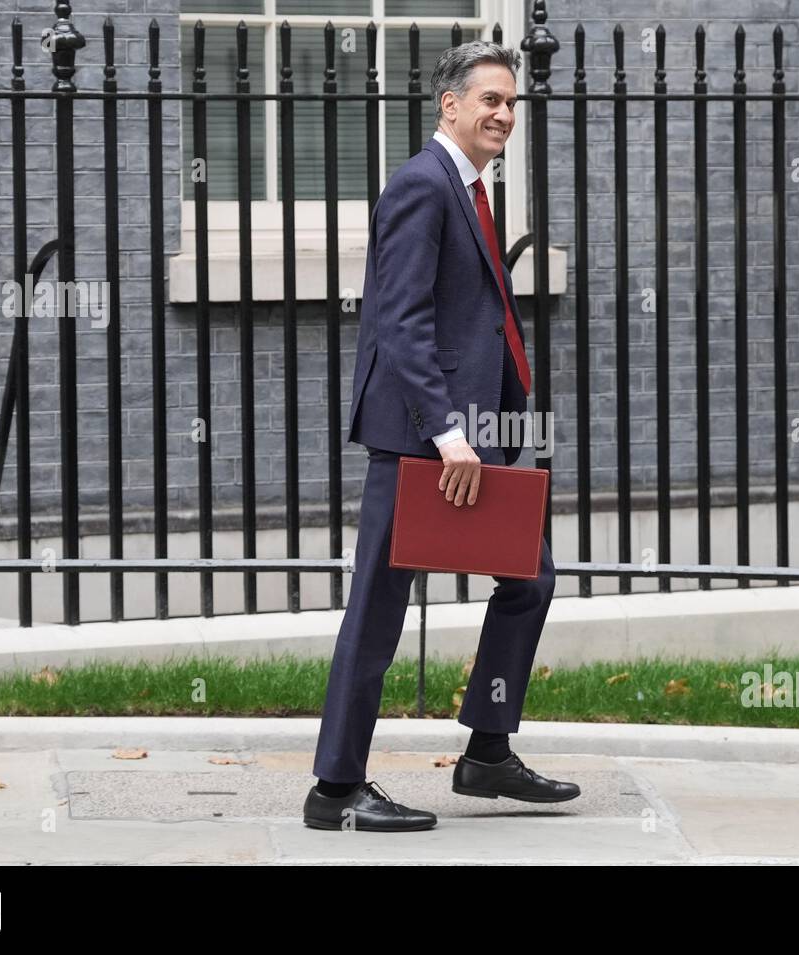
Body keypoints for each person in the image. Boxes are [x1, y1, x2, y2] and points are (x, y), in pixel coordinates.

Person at [303, 40, 580, 832]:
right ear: (448, 106)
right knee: (378, 607)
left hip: (467, 435)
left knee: (529, 578)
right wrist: (450, 430)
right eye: (489, 99)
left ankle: (487, 751)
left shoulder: (472, 188)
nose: (503, 113)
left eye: (511, 102)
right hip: (422, 437)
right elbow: (400, 320)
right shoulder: (423, 185)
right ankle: (335, 789)